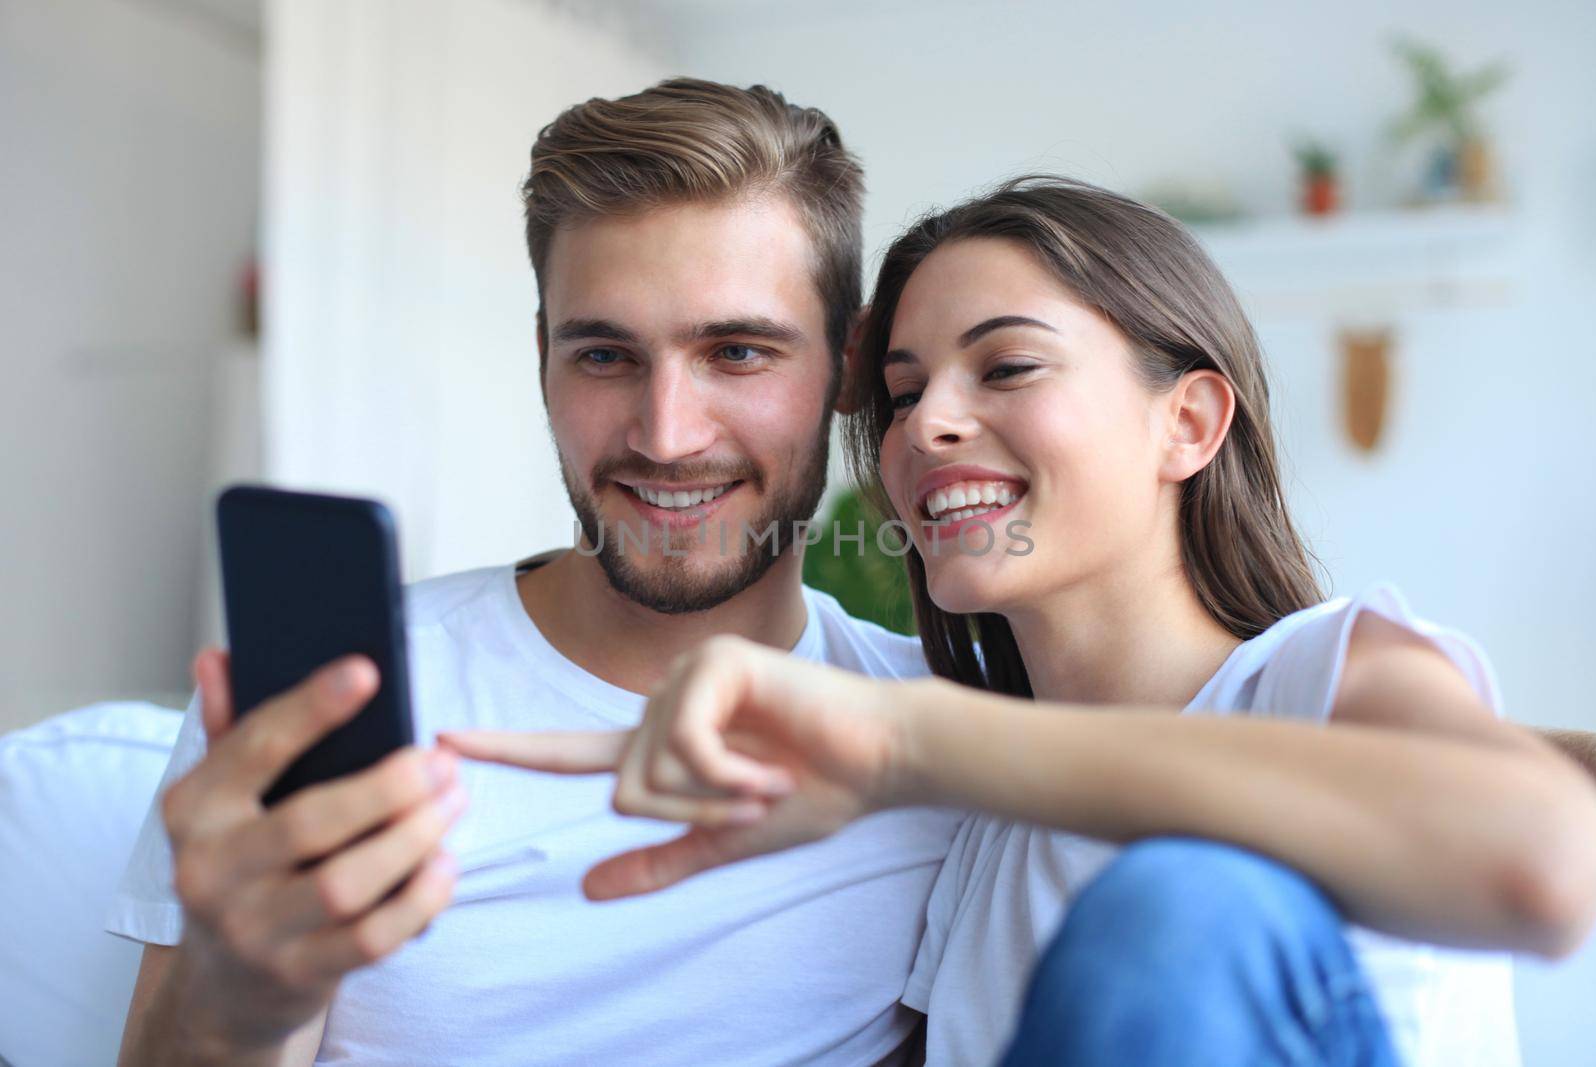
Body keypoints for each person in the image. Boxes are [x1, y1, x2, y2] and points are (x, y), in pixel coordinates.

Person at [445, 176, 1596, 1067]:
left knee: (1181, 905)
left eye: (1004, 367)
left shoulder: (1317, 672)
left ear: (1188, 422)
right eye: (900, 392)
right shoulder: (979, 834)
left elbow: (1547, 857)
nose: (928, 424)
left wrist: (909, 744)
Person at [109, 79, 966, 1066]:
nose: (666, 435)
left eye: (736, 351)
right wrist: (236, 999)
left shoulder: (937, 734)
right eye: (605, 355)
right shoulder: (335, 696)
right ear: (541, 359)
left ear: (848, 363)